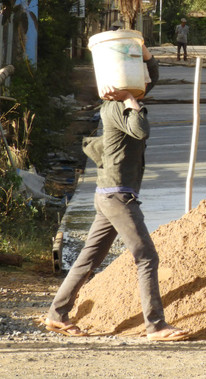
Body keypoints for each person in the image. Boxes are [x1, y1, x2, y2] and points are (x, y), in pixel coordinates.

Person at [45, 44, 189, 341]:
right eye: (136, 81)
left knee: (88, 259)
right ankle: (156, 325)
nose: (145, 84)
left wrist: (146, 55)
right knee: (146, 256)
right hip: (117, 196)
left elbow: (151, 78)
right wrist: (128, 100)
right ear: (122, 83)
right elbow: (141, 129)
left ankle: (56, 315)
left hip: (109, 194)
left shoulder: (125, 99)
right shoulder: (116, 107)